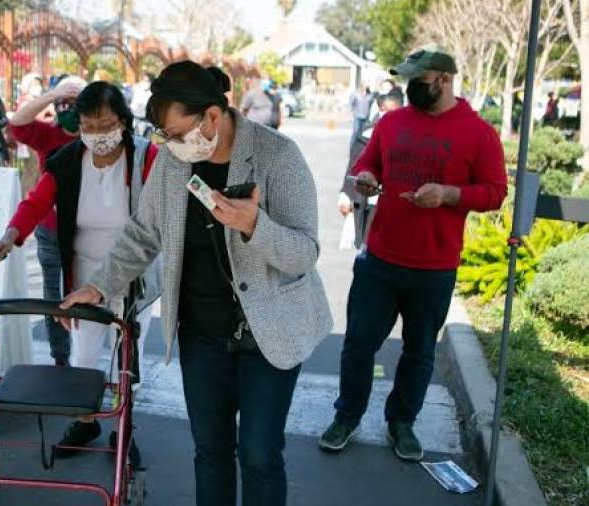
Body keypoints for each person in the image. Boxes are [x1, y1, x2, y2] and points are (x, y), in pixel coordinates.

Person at [60, 61, 333, 506]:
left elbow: (304, 254)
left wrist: (254, 226)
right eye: (164, 136)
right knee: (210, 452)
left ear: (211, 116)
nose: (170, 145)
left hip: (269, 331)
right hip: (202, 333)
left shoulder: (277, 156)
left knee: (260, 454)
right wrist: (101, 285)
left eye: (177, 134)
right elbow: (143, 232)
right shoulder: (172, 163)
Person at [319, 46, 508, 462]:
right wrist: (366, 179)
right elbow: (367, 165)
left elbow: (495, 192)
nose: (409, 88)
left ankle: (401, 422)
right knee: (357, 345)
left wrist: (449, 194)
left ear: (442, 78)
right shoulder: (391, 122)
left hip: (434, 266)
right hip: (380, 259)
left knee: (419, 351)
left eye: (417, 80)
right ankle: (346, 416)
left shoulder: (478, 133)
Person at [0, 81, 160, 458]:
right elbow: (35, 203)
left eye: (106, 124)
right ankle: (86, 421)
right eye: (89, 125)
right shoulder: (67, 160)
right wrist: (9, 237)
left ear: (125, 122)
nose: (98, 134)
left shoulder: (147, 157)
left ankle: (124, 428)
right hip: (83, 275)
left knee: (128, 359)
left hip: (135, 273)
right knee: (83, 356)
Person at [9, 75, 87, 366]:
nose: (70, 110)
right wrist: (52, 95)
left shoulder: (95, 138)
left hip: (88, 231)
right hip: (51, 229)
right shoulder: (46, 136)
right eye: (64, 104)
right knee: (53, 297)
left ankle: (87, 356)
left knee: (86, 293)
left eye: (76, 103)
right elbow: (17, 123)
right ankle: (61, 358)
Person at [338, 90, 404, 249]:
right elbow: (354, 165)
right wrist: (345, 195)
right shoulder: (367, 134)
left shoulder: (409, 137)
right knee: (366, 250)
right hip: (367, 201)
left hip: (393, 205)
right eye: (384, 111)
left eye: (393, 112)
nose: (387, 116)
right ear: (380, 109)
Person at [131, 72, 154, 138]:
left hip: (147, 124)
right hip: (135, 122)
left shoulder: (152, 94)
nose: (144, 83)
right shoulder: (137, 90)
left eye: (147, 81)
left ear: (151, 82)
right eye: (143, 80)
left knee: (145, 144)